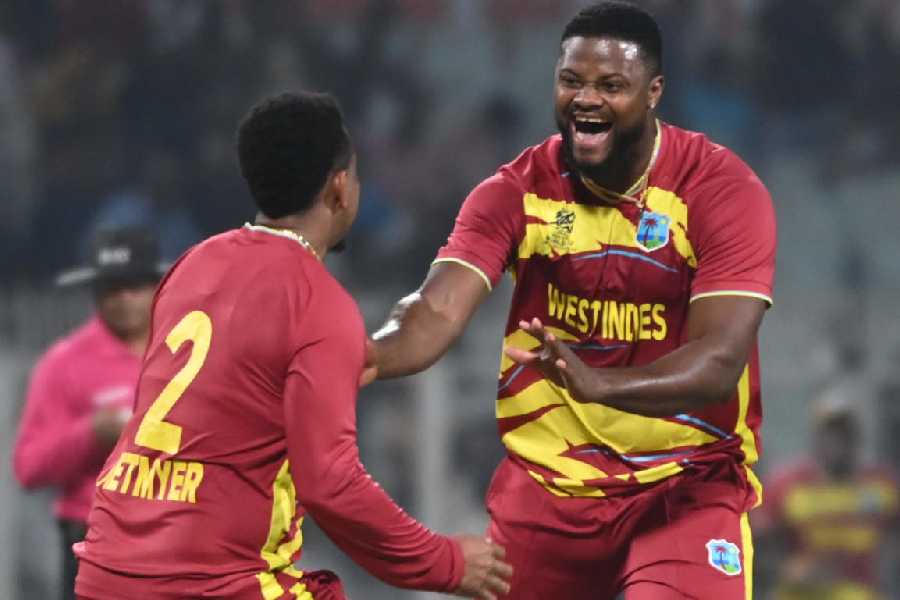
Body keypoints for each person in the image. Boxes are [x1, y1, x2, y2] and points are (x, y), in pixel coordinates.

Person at [362, 3, 776, 598]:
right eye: (571, 81)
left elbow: (719, 361)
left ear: (653, 91)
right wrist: (363, 356)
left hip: (683, 488)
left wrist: (601, 386)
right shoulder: (514, 191)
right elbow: (434, 309)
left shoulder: (721, 191)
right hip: (548, 497)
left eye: (612, 86)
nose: (587, 99)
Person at [73, 92, 511, 600]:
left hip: (106, 568)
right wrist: (448, 562)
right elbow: (331, 483)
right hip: (213, 581)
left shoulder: (191, 266)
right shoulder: (318, 303)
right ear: (340, 188)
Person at [13, 226, 165, 600]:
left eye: (135, 286)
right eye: (112, 288)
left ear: (157, 286)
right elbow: (29, 467)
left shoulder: (188, 352)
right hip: (95, 543)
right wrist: (91, 434)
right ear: (95, 292)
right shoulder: (65, 363)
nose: (124, 298)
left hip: (174, 540)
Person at [759, 396, 899, 600]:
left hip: (860, 591)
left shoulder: (882, 485)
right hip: (800, 593)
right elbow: (759, 543)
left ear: (856, 438)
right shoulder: (787, 485)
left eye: (844, 434)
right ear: (816, 438)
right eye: (830, 433)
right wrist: (786, 568)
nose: (837, 442)